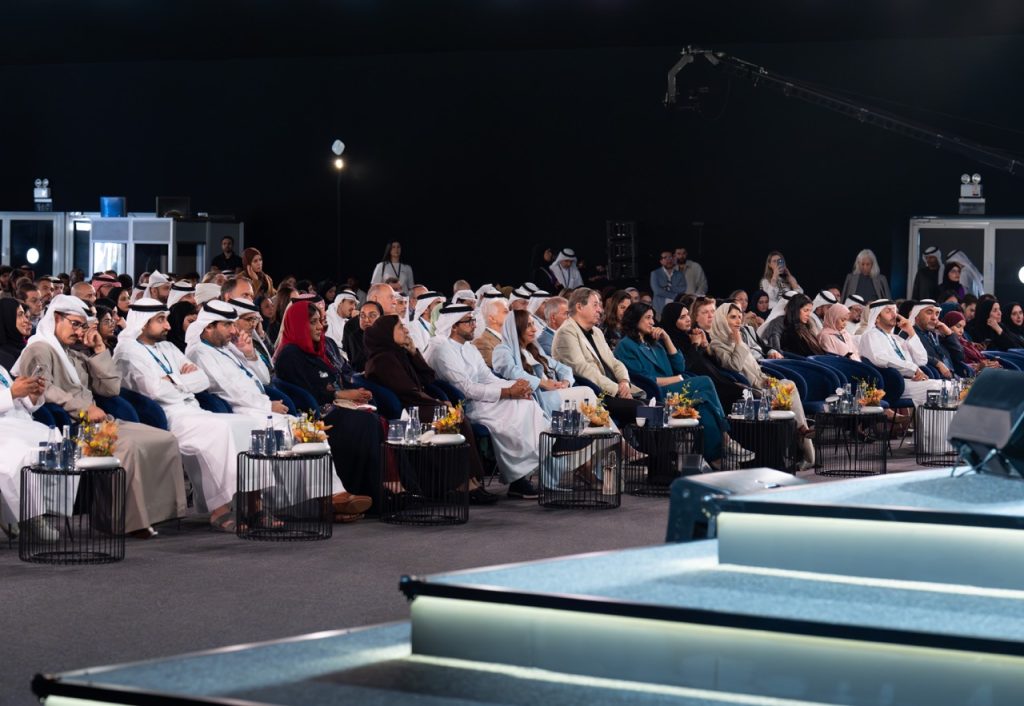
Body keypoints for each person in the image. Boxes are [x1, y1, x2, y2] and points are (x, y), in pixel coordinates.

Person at [16, 296, 188, 537]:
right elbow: (43, 388)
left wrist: (98, 350)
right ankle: (124, 521)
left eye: (82, 326)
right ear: (56, 318)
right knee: (128, 447)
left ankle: (159, 513)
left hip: (99, 421)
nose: (79, 332)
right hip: (75, 427)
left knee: (165, 439)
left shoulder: (72, 353)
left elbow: (110, 389)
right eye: (75, 324)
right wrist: (84, 409)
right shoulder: (39, 349)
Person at [363, 315, 497, 504]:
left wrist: (414, 353)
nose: (406, 330)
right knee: (451, 420)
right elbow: (407, 391)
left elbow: (428, 378)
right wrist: (439, 404)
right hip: (408, 411)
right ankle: (464, 485)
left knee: (457, 420)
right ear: (387, 333)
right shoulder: (382, 360)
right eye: (400, 327)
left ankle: (470, 481)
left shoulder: (398, 353)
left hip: (419, 404)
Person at [273, 300, 381, 504]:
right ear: (298, 325)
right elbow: (308, 393)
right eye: (313, 322)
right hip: (313, 416)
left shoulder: (315, 350)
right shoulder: (289, 355)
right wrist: (341, 395)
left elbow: (333, 379)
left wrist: (351, 393)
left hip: (331, 408)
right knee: (364, 423)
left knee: (373, 417)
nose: (319, 327)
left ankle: (370, 491)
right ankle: (353, 491)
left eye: (320, 321)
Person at [614, 303, 748, 465]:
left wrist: (666, 338)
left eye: (652, 318)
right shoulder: (625, 345)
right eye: (648, 318)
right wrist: (677, 379)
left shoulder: (654, 343)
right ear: (635, 319)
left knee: (704, 404)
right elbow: (642, 379)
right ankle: (725, 438)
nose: (652, 322)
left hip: (674, 391)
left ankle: (715, 457)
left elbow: (680, 366)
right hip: (655, 394)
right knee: (705, 382)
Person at [708, 302, 815, 468]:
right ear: (722, 319)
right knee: (789, 388)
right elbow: (734, 366)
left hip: (762, 384)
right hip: (750, 391)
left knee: (789, 385)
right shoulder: (717, 344)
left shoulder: (737, 341)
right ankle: (803, 436)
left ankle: (802, 436)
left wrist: (767, 379)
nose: (738, 321)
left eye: (739, 317)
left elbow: (756, 369)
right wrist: (739, 343)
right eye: (733, 317)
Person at [551, 288, 646, 427]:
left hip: (614, 388)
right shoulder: (566, 333)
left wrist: (624, 382)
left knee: (656, 407)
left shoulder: (596, 332)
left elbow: (614, 362)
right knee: (642, 409)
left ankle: (645, 442)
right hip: (597, 393)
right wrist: (617, 389)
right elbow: (583, 370)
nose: (600, 310)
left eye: (599, 305)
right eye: (595, 305)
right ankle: (635, 441)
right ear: (579, 307)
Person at [493, 308, 591, 418]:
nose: (534, 329)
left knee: (587, 394)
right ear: (516, 329)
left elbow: (562, 367)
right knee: (586, 392)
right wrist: (543, 383)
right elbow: (513, 372)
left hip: (554, 393)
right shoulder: (502, 350)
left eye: (533, 324)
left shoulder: (533, 350)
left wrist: (565, 382)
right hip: (537, 398)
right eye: (528, 325)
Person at [0, 361, 55, 539]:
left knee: (54, 441)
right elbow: (10, 395)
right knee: (21, 450)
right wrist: (11, 393)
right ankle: (30, 515)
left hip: (18, 425)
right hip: (5, 431)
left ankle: (20, 511)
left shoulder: (1, 369)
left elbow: (19, 404)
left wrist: (32, 396)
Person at [858, 300, 943, 405]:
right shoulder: (871, 335)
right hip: (893, 383)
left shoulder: (896, 339)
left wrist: (911, 331)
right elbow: (880, 358)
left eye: (895, 311)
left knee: (949, 386)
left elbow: (922, 360)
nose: (894, 315)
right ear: (877, 317)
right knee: (940, 388)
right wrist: (913, 369)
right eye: (888, 311)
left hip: (908, 381)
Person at [909, 300, 958, 379]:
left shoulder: (937, 334)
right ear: (916, 315)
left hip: (952, 378)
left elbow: (959, 356)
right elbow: (914, 355)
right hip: (934, 378)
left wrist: (949, 334)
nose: (934, 318)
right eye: (929, 312)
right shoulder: (910, 334)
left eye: (937, 314)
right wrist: (937, 363)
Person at [342, 300, 382, 372]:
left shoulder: (388, 336)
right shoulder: (353, 336)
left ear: (381, 318)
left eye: (372, 315)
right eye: (362, 316)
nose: (366, 320)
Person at [471, 296, 509, 368]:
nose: (510, 315)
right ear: (492, 318)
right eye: (506, 312)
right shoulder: (481, 343)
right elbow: (503, 368)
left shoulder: (509, 338)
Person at [650, 251, 686, 316]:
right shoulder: (655, 274)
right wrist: (675, 295)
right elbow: (657, 291)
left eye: (670, 257)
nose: (668, 260)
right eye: (665, 257)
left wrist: (669, 288)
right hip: (659, 308)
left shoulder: (680, 274)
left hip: (676, 308)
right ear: (661, 261)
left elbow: (683, 288)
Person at [0, 299, 30, 370]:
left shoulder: (24, 347)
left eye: (24, 315)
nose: (26, 320)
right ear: (7, 318)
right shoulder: (4, 357)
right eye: (20, 315)